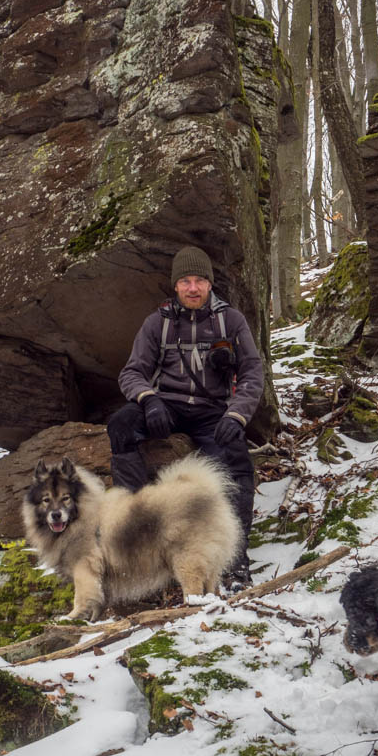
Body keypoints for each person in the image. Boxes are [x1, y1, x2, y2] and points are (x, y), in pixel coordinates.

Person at [107, 245, 264, 586]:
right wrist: (149, 400)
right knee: (121, 425)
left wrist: (235, 416)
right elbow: (131, 373)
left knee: (235, 458)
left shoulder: (231, 321)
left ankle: (235, 560)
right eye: (185, 281)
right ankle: (135, 529)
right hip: (167, 408)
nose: (193, 288)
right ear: (175, 286)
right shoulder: (158, 324)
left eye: (200, 281)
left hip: (214, 413)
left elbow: (253, 373)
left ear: (210, 284)